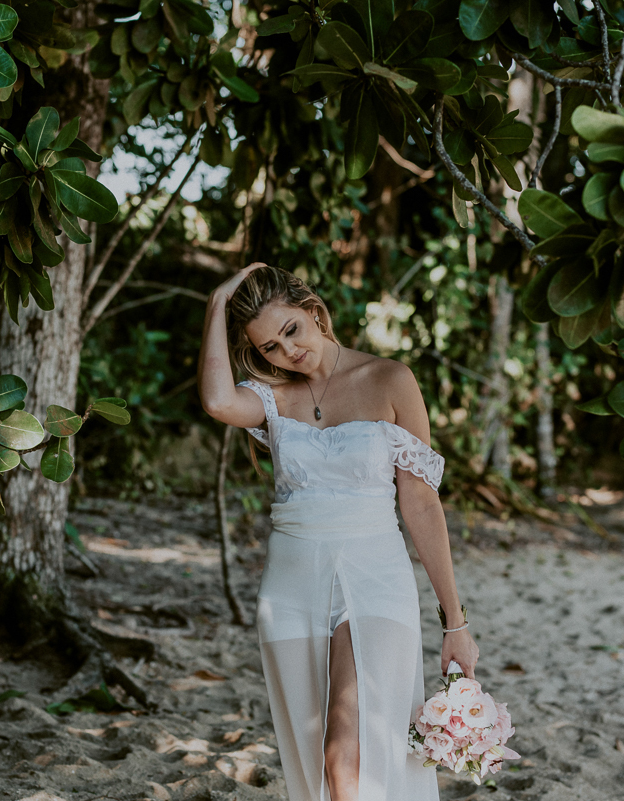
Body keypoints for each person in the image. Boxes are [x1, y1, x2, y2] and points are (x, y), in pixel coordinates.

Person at [197, 263, 479, 801]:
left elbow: (419, 501)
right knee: (313, 756)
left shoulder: (389, 379)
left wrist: (455, 622)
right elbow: (216, 402)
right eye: (270, 348)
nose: (287, 351)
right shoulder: (271, 396)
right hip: (292, 586)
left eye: (291, 331)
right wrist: (217, 303)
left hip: (374, 575)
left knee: (343, 756)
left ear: (314, 311)